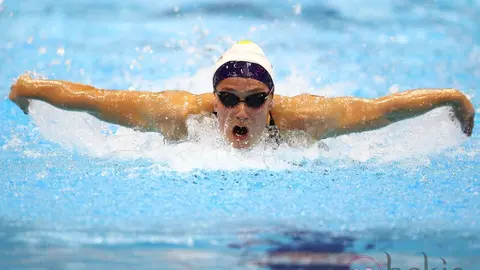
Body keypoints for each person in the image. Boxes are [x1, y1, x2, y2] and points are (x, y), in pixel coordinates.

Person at [8, 40, 475, 149]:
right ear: (214, 99)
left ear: (272, 100)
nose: (241, 110)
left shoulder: (306, 120)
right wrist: (30, 89)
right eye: (229, 98)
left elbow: (382, 111)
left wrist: (452, 96)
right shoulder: (175, 115)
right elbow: (93, 98)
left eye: (255, 100)